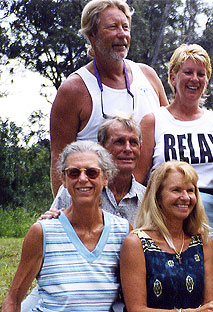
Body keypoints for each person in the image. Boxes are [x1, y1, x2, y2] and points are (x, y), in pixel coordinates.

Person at [50, 0, 168, 196]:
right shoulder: (74, 89)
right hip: (95, 207)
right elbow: (59, 161)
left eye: (125, 27)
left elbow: (170, 129)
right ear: (92, 35)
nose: (121, 34)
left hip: (152, 203)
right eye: (113, 27)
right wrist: (63, 214)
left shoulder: (148, 76)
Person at [2, 141, 131, 312]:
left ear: (105, 178)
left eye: (92, 172)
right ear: (63, 179)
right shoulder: (42, 232)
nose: (83, 179)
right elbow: (13, 299)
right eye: (73, 173)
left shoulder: (122, 231)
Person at [135, 44, 213, 264]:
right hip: (164, 217)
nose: (194, 79)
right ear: (172, 77)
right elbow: (138, 181)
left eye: (201, 74)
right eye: (188, 72)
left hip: (210, 217)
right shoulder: (153, 121)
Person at [120, 160, 213, 312]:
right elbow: (136, 309)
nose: (185, 197)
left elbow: (209, 304)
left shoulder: (204, 243)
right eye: (176, 190)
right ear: (157, 196)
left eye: (190, 190)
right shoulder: (136, 243)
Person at [52, 115, 146, 225]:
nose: (128, 149)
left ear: (140, 148)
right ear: (102, 148)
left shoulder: (146, 199)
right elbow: (52, 229)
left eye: (133, 142)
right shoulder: (75, 189)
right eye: (119, 142)